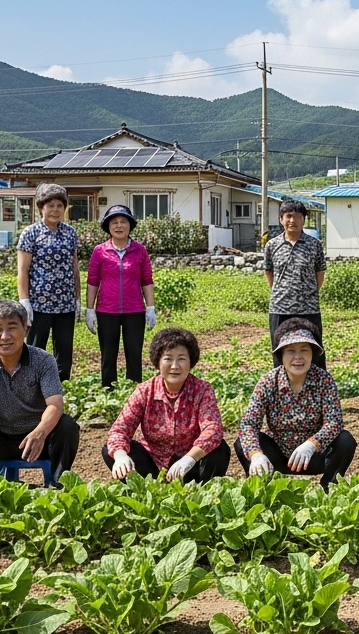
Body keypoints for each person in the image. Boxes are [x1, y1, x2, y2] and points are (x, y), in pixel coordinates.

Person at [0, 300, 81, 486]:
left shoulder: (43, 361)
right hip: (0, 437)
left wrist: (40, 433)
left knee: (67, 426)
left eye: (12, 328)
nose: (5, 336)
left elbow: (55, 404)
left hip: (39, 439)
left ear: (25, 329)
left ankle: (59, 485)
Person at [236, 318, 356, 489]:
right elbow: (249, 423)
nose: (298, 357)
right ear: (281, 356)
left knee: (345, 440)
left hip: (313, 456)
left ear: (313, 353)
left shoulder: (324, 380)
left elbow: (334, 422)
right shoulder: (268, 381)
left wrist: (311, 444)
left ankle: (329, 488)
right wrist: (256, 454)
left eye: (304, 350)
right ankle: (261, 487)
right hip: (277, 455)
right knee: (243, 443)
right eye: (291, 351)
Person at [103, 327, 231, 483]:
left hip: (189, 467)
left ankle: (202, 492)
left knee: (220, 450)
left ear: (191, 361)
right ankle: (144, 490)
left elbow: (213, 429)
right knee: (111, 451)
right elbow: (120, 428)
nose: (175, 366)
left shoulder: (202, 390)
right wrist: (121, 455)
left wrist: (189, 459)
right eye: (168, 358)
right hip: (152, 464)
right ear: (158, 361)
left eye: (182, 359)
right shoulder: (144, 391)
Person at [85, 204, 155, 389]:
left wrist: (150, 307)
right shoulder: (99, 251)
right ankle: (108, 392)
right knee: (108, 355)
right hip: (106, 311)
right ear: (108, 226)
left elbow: (146, 280)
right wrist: (89, 309)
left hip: (135, 311)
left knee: (134, 354)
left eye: (123, 221)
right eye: (114, 222)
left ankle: (135, 392)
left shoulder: (140, 250)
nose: (119, 226)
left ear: (130, 225)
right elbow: (92, 281)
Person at [17, 183, 81, 381]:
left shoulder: (70, 233)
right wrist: (24, 301)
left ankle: (62, 389)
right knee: (36, 350)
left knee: (64, 353)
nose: (55, 210)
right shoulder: (31, 233)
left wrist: (77, 298)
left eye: (59, 206)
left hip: (65, 305)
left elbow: (75, 268)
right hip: (39, 304)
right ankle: (32, 388)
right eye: (50, 205)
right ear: (40, 208)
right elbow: (22, 270)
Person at [265, 199, 329, 370]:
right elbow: (269, 272)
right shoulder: (272, 245)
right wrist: (283, 292)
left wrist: (308, 293)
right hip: (280, 308)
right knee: (280, 350)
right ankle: (282, 386)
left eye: (297, 217)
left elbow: (320, 273)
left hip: (309, 308)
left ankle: (318, 387)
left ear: (303, 220)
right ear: (281, 219)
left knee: (314, 350)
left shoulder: (314, 245)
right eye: (288, 216)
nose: (292, 221)